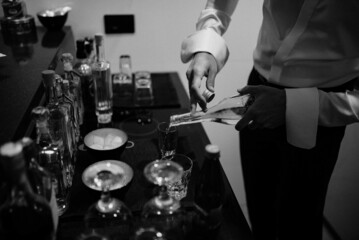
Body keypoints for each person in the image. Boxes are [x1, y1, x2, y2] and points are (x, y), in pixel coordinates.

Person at [180, 0, 359, 239]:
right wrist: (207, 45)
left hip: (320, 111)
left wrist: (291, 105)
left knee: (299, 226)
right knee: (260, 219)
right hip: (258, 91)